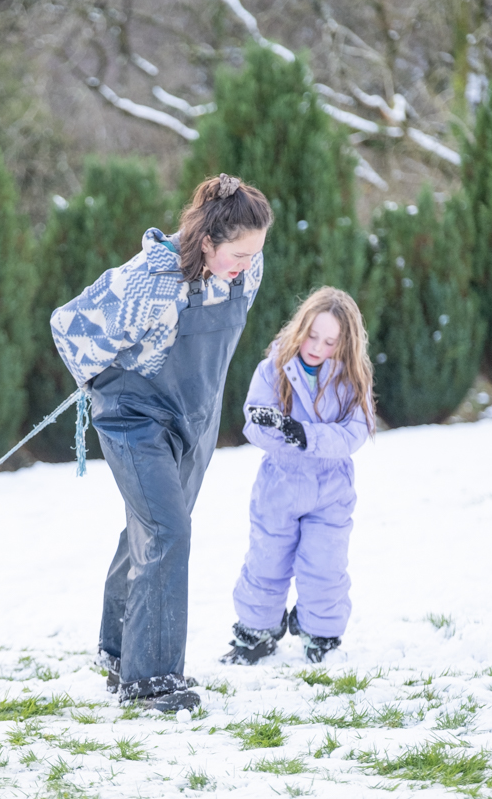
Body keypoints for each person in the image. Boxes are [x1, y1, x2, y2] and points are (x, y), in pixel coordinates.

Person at [51, 173, 274, 712]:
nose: (249, 264)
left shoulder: (245, 272)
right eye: (239, 254)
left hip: (194, 417)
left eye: (255, 253)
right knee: (167, 531)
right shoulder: (150, 278)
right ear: (207, 241)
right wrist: (101, 382)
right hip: (133, 418)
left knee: (152, 530)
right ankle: (149, 681)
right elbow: (69, 327)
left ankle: (117, 650)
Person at [221, 286, 375, 665]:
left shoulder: (351, 379)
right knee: (267, 560)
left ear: (345, 343)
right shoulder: (274, 369)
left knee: (325, 564)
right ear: (301, 327)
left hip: (331, 489)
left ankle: (321, 635)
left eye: (330, 341)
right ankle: (256, 633)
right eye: (312, 335)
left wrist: (306, 435)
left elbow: (354, 434)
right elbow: (254, 424)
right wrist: (274, 426)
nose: (317, 347)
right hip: (280, 486)